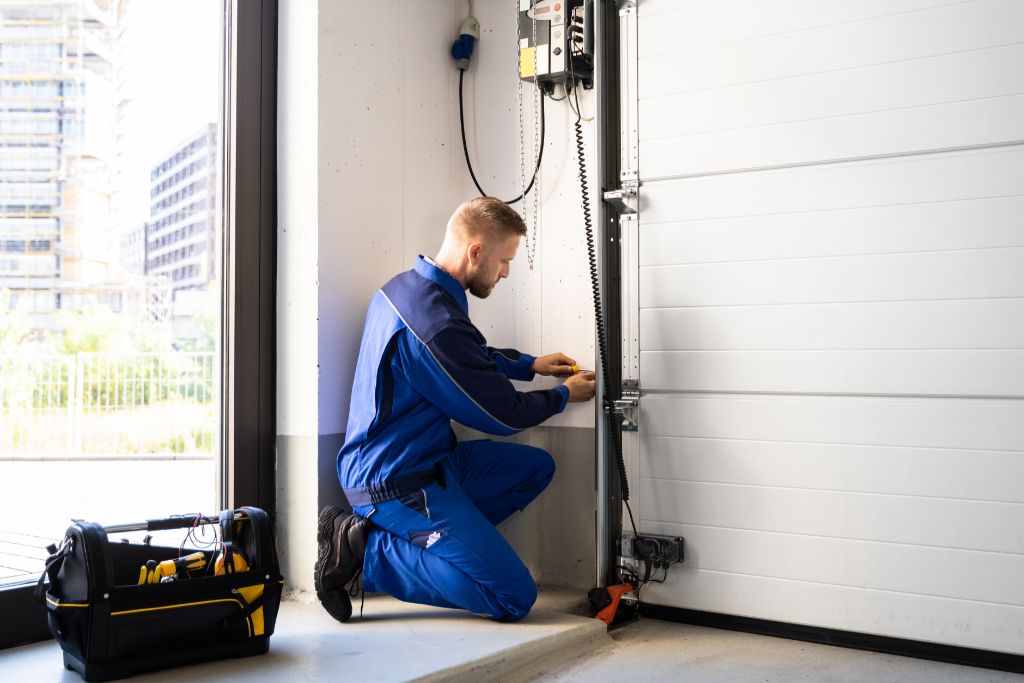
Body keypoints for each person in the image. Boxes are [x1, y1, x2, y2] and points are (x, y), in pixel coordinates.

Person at [315, 197, 597, 623]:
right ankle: (366, 553)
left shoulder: (407, 289)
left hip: (431, 461)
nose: (505, 272)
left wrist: (529, 365)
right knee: (513, 596)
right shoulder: (434, 324)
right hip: (394, 483)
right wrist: (562, 396)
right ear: (476, 252)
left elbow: (468, 357)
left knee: (534, 468)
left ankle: (441, 548)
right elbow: (502, 415)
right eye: (504, 260)